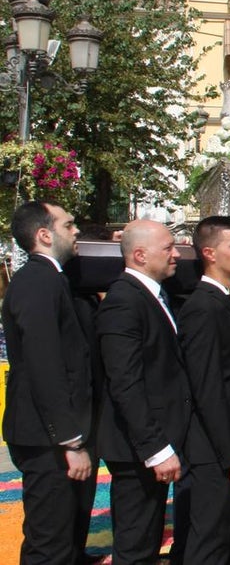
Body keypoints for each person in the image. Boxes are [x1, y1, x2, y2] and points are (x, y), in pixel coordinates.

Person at [96, 218, 200, 564]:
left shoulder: (154, 294)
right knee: (136, 546)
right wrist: (156, 449)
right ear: (140, 255)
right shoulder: (124, 300)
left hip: (152, 442)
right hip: (137, 449)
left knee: (147, 540)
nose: (176, 255)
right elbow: (125, 382)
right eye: (168, 248)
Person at [2, 201, 97, 564]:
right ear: (44, 235)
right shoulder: (37, 280)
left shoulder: (52, 278)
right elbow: (44, 363)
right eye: (68, 225)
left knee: (66, 538)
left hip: (52, 434)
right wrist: (68, 439)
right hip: (45, 438)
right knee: (50, 543)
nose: (76, 231)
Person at [171, 216, 230, 564]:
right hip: (215, 448)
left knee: (223, 537)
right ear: (209, 253)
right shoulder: (203, 307)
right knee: (209, 541)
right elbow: (207, 388)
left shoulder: (229, 298)